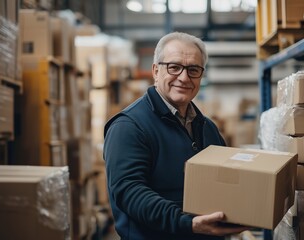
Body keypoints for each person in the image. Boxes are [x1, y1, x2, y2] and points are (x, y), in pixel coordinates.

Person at [103, 32, 249, 240]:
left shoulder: (208, 128)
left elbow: (225, 182)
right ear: (155, 70)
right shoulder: (129, 126)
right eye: (174, 67)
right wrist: (187, 223)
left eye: (193, 70)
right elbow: (130, 192)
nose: (184, 77)